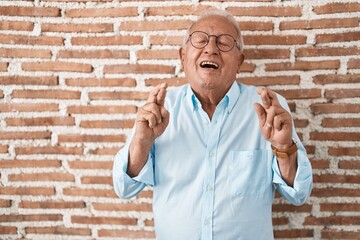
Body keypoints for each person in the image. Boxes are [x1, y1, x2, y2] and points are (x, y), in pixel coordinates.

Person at [113, 8, 312, 240]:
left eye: (224, 42)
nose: (211, 48)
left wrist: (283, 148)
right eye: (200, 40)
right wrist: (141, 142)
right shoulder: (159, 109)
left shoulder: (269, 109)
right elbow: (125, 189)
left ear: (239, 62)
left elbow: (299, 195)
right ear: (183, 57)